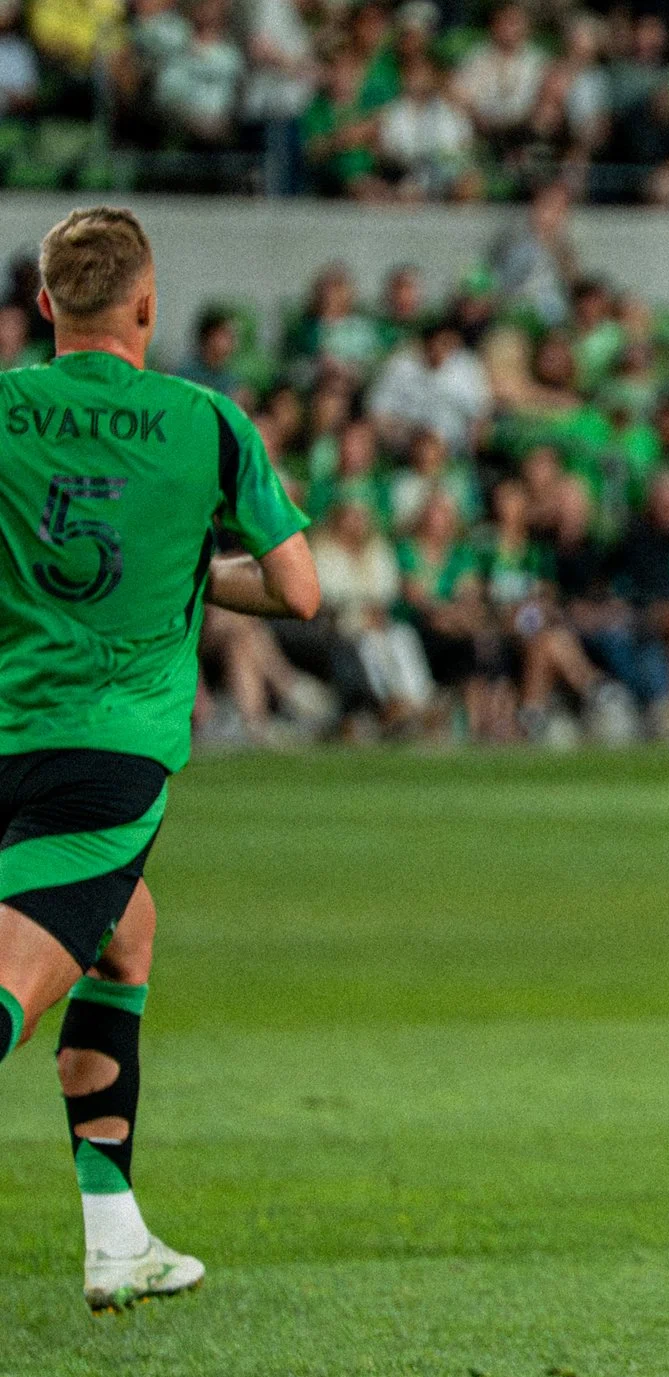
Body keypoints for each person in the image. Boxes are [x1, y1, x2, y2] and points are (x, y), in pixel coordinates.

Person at [0, 208, 318, 1309]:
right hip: (103, 755)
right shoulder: (207, 422)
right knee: (11, 992)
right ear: (146, 303)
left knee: (124, 939)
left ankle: (115, 1232)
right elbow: (301, 590)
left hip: (7, 726)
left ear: (46, 306)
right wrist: (195, 570)